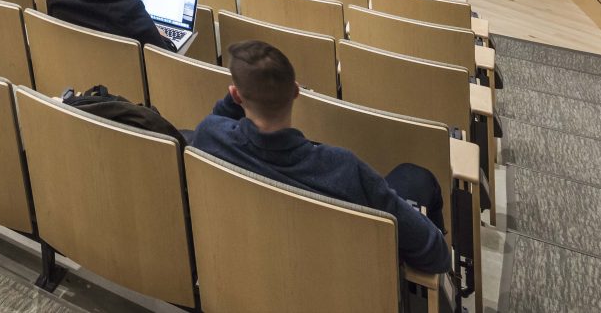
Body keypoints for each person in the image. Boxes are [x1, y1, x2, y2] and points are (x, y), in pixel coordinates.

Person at [191, 40, 451, 279]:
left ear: (236, 96)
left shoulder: (210, 136)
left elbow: (218, 118)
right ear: (295, 91)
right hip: (341, 284)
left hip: (248, 274)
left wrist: (240, 94)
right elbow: (435, 254)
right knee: (416, 177)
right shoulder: (343, 169)